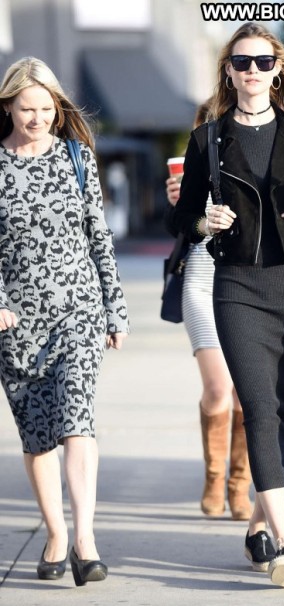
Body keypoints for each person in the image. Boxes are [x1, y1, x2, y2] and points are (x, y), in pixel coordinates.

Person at [171, 22, 284, 588]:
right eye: (242, 62)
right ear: (228, 71)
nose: (252, 71)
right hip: (235, 286)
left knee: (282, 406)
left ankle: (257, 525)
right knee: (259, 407)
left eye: (263, 62)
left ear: (278, 70)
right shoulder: (208, 139)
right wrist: (204, 221)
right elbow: (180, 216)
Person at [0, 57, 129, 586]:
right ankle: (55, 533)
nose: (38, 119)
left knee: (77, 419)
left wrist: (115, 308)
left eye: (46, 109)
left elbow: (99, 236)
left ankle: (84, 540)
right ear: (8, 107)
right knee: (37, 435)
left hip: (79, 308)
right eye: (26, 109)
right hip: (16, 320)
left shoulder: (77, 157)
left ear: (58, 106)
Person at [165, 99, 252, 522]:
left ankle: (239, 485)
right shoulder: (190, 169)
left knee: (245, 392)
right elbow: (180, 228)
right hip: (200, 285)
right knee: (218, 387)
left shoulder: (251, 160)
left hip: (244, 287)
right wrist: (178, 205)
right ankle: (215, 478)